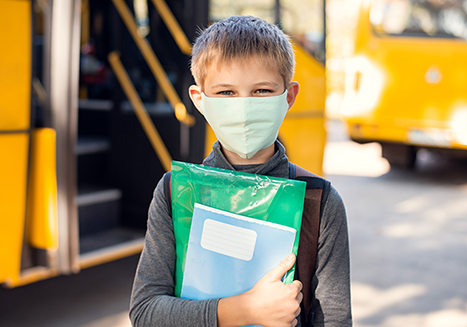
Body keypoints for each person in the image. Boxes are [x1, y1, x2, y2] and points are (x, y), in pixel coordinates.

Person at [129, 15, 352, 327]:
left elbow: (335, 320)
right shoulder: (174, 192)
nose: (244, 107)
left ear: (288, 96)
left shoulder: (320, 202)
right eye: (226, 93)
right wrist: (246, 311)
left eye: (261, 91)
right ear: (199, 100)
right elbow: (145, 313)